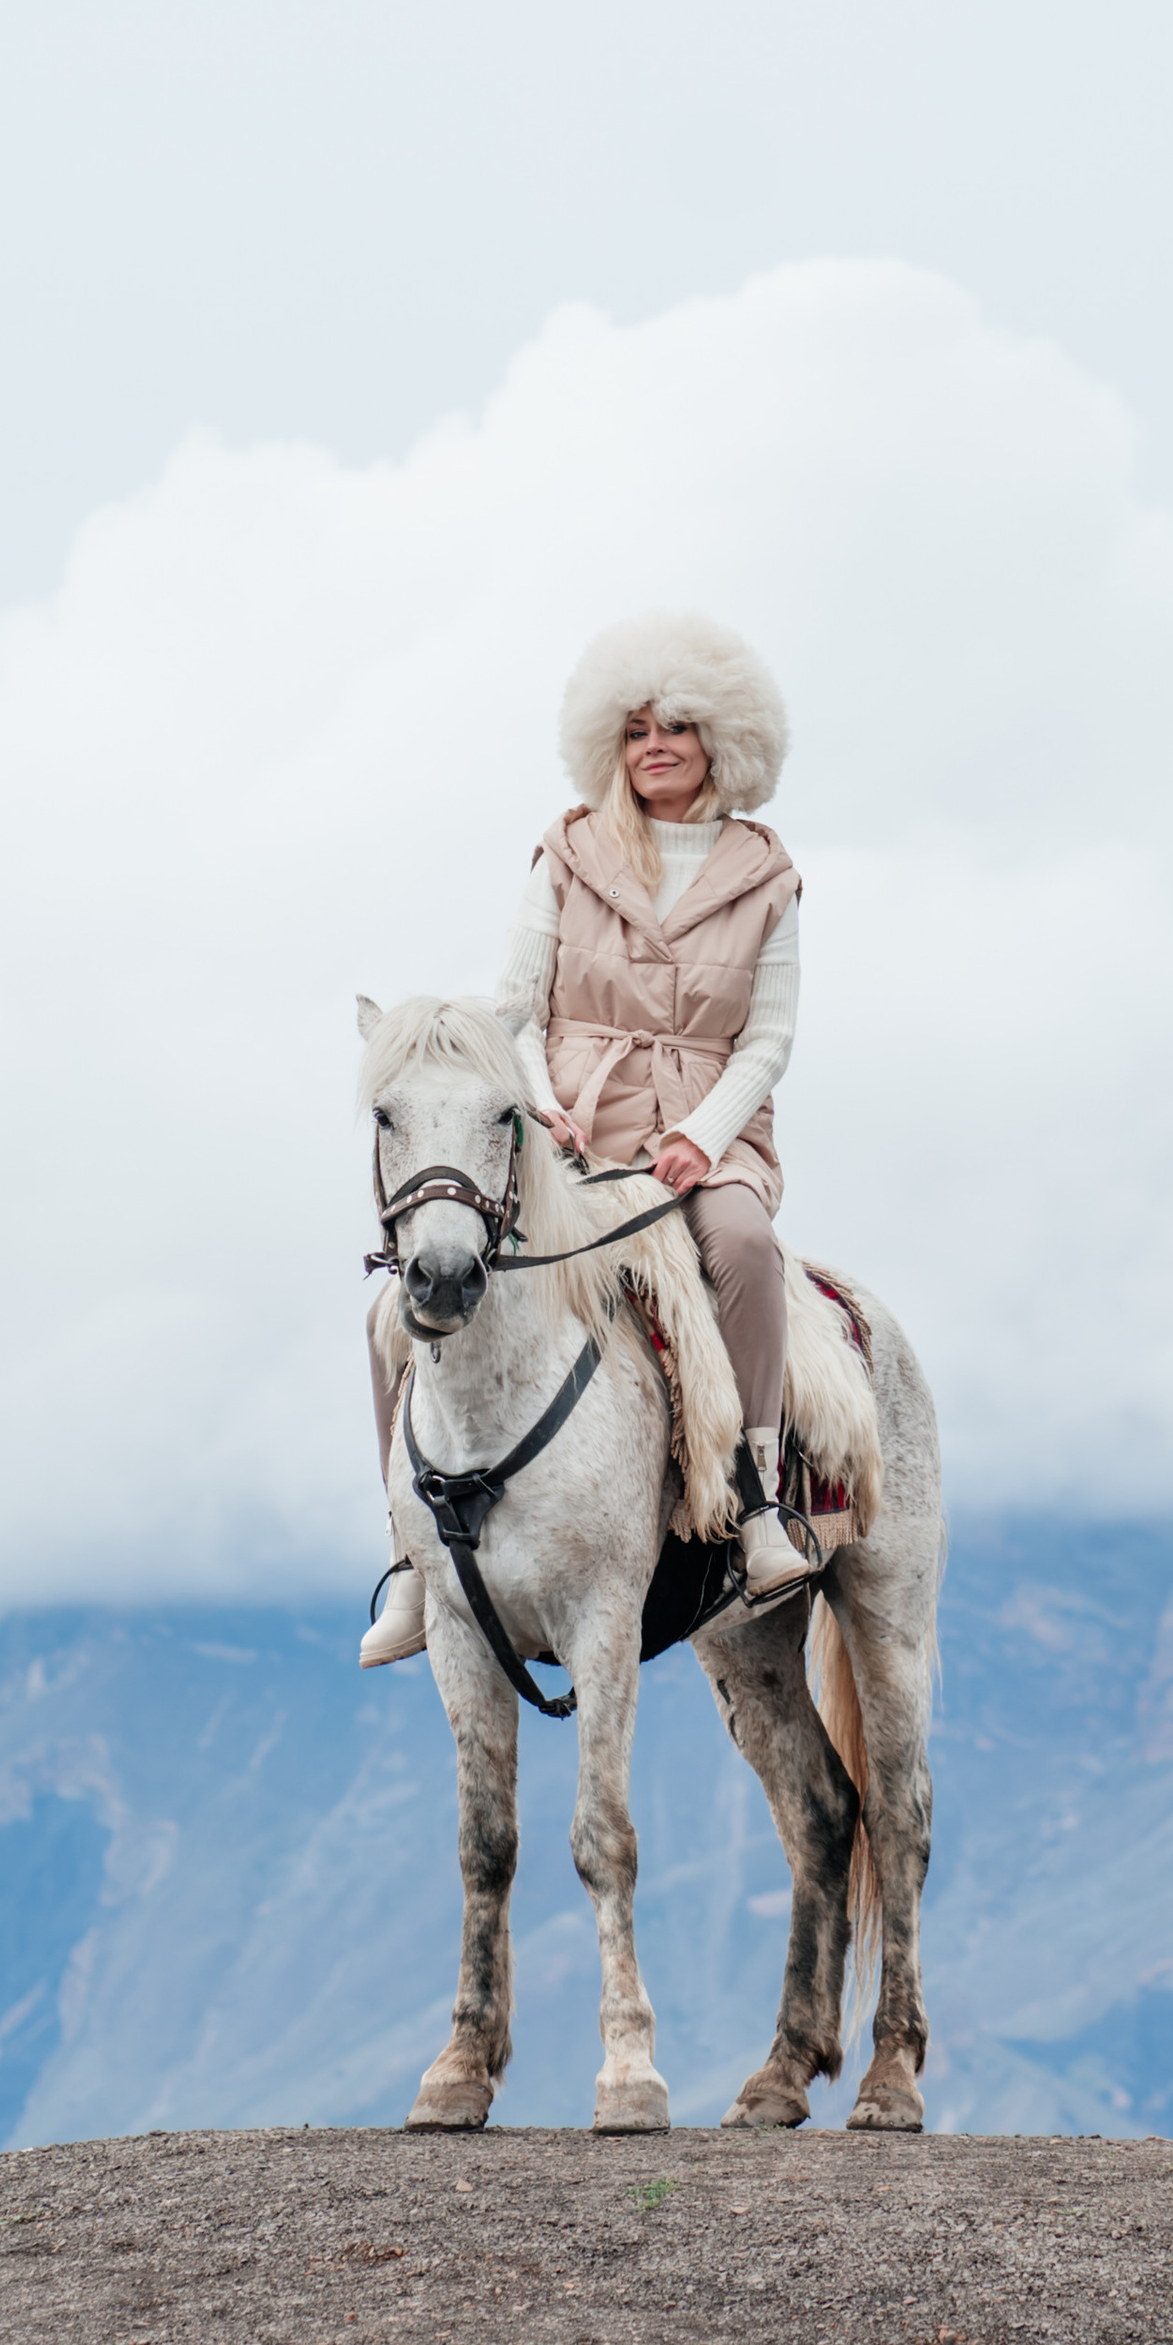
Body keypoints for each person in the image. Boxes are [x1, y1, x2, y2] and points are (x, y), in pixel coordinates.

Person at [362, 608, 813, 1669]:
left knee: (742, 1248)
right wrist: (533, 1100)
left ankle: (757, 1498)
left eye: (681, 728)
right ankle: (410, 1557)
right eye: (638, 728)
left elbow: (771, 1036)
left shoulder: (768, 876)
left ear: (722, 743)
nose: (657, 746)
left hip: (709, 1118)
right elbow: (512, 1001)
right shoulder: (565, 852)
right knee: (399, 1301)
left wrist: (703, 1140)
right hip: (569, 1116)